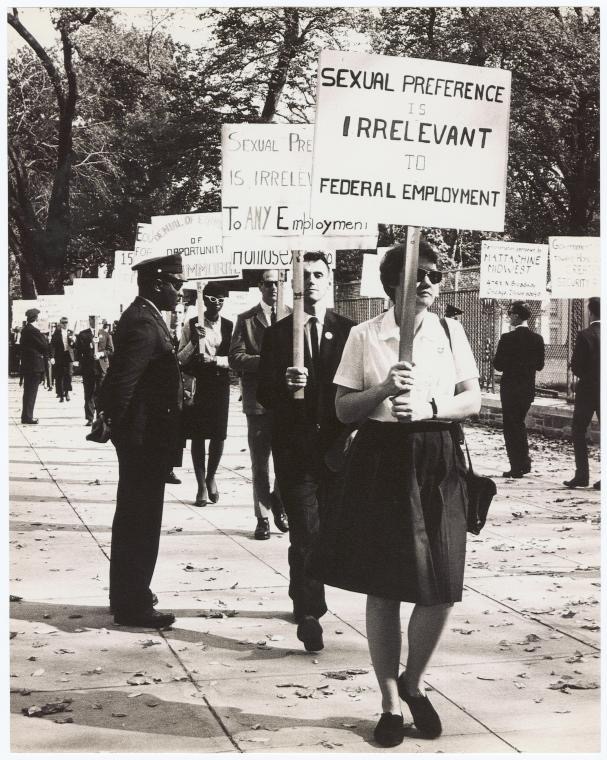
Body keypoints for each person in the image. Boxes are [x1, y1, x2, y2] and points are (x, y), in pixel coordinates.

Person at [312, 240, 480, 747]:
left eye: (433, 275)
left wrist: (431, 406)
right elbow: (342, 410)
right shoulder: (365, 335)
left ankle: (414, 682)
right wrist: (384, 390)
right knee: (384, 587)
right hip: (382, 460)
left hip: (438, 458)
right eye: (416, 276)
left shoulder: (451, 330)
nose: (427, 283)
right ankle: (389, 700)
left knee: (443, 585)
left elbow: (471, 397)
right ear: (391, 286)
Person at [257, 251, 355, 653]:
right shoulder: (279, 335)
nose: (311, 280)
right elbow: (263, 393)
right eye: (304, 275)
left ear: (329, 280)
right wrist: (284, 382)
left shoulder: (350, 332)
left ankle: (304, 592)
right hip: (295, 451)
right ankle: (309, 609)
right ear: (294, 284)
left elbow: (360, 387)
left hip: (337, 449)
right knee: (305, 531)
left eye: (318, 274)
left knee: (329, 531)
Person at [97, 253, 184, 628]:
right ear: (156, 284)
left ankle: (127, 593)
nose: (180, 292)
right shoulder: (144, 323)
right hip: (144, 439)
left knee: (134, 516)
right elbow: (122, 384)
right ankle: (134, 604)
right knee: (141, 519)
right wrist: (119, 427)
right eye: (176, 285)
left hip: (144, 436)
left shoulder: (145, 317)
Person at [229, 269, 290, 540]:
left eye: (277, 282)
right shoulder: (246, 319)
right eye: (268, 283)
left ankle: (280, 502)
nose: (273, 288)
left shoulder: (293, 315)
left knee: (287, 459)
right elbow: (235, 358)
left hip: (289, 401)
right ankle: (262, 517)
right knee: (260, 463)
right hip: (257, 402)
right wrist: (267, 362)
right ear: (259, 287)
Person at [178, 281, 233, 506]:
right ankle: (201, 483)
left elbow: (236, 359)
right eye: (212, 300)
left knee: (218, 435)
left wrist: (216, 360)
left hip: (220, 384)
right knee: (199, 435)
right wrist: (193, 342)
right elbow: (179, 358)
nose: (216, 305)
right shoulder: (191, 324)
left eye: (221, 300)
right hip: (199, 384)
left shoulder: (230, 326)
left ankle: (211, 477)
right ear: (204, 301)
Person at [493, 301, 545, 478]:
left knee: (511, 426)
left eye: (510, 314)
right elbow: (540, 365)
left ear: (516, 316)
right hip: (527, 389)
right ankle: (524, 461)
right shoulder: (537, 339)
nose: (509, 317)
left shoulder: (507, 338)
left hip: (509, 389)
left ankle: (517, 465)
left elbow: (498, 365)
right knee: (519, 424)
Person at [564, 297, 600, 489]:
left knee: (578, 430)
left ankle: (582, 474)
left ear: (590, 312)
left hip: (587, 389)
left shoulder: (585, 335)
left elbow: (576, 366)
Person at [75, 316, 114, 426]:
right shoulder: (83, 334)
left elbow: (111, 350)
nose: (97, 322)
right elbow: (78, 350)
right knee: (89, 393)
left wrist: (101, 354)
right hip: (88, 368)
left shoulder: (106, 334)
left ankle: (100, 417)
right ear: (90, 321)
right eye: (94, 320)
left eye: (98, 320)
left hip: (101, 367)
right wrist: (79, 361)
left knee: (101, 393)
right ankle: (89, 418)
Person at [19, 308, 49, 424]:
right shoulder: (34, 331)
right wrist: (45, 339)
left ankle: (25, 416)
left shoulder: (25, 330)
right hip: (35, 366)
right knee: (31, 392)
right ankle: (28, 417)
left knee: (27, 392)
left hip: (27, 365)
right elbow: (44, 346)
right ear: (36, 318)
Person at [50, 317, 75, 402]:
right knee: (59, 375)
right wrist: (52, 357)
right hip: (59, 356)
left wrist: (74, 341)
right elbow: (52, 345)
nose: (65, 324)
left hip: (69, 356)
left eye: (66, 322)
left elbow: (75, 346)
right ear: (60, 323)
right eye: (63, 322)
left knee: (69, 375)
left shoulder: (71, 332)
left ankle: (67, 392)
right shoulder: (56, 333)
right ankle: (60, 394)